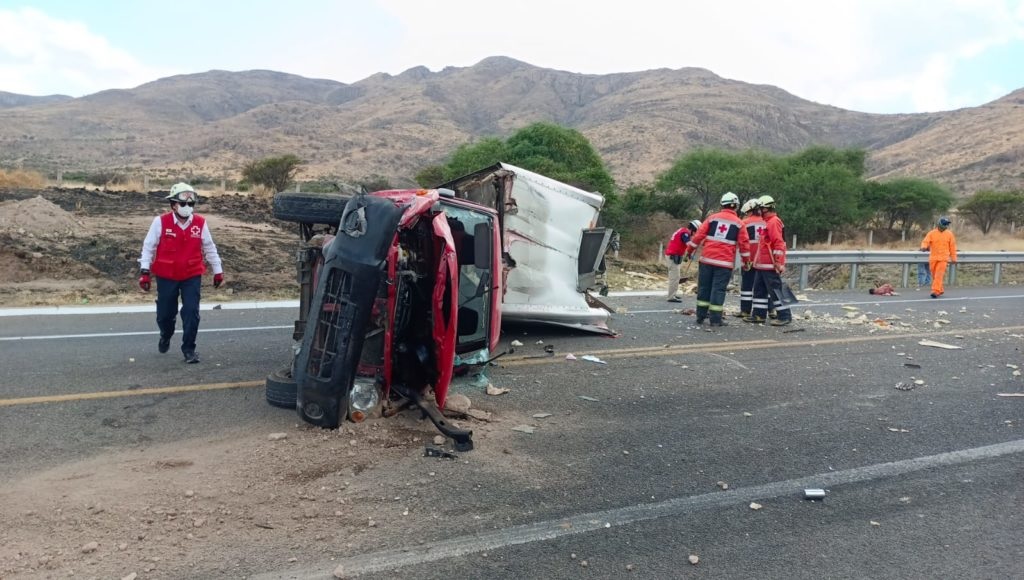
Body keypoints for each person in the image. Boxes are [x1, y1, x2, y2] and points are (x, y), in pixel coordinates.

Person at [138, 183, 224, 363]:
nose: (187, 208)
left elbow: (209, 247)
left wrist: (218, 270)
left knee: (192, 312)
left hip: (191, 275)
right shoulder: (160, 222)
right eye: (183, 204)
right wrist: (145, 271)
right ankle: (165, 334)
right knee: (165, 314)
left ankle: (189, 349)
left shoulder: (200, 223)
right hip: (166, 275)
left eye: (191, 205)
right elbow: (148, 247)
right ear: (173, 204)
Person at [684, 192, 751, 327]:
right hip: (724, 264)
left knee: (704, 288)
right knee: (718, 290)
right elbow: (744, 244)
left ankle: (700, 316)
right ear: (736, 206)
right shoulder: (739, 223)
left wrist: (688, 251)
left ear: (722, 205)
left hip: (706, 260)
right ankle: (715, 319)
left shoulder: (712, 218)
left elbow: (698, 236)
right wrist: (746, 262)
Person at [746, 195, 793, 326]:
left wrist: (778, 262)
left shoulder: (773, 222)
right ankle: (758, 315)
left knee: (776, 290)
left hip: (770, 264)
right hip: (762, 265)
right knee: (759, 290)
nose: (759, 211)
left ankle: (785, 316)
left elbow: (778, 243)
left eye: (760, 208)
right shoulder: (768, 222)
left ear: (766, 208)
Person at [735, 198, 764, 318]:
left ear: (750, 211)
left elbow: (740, 241)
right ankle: (770, 311)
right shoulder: (767, 222)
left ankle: (745, 311)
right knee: (764, 286)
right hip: (763, 260)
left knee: (747, 286)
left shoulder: (745, 223)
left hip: (750, 259)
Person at [920, 216, 958, 298]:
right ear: (940, 224)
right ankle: (940, 289)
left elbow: (952, 247)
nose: (946, 226)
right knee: (934, 275)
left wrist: (954, 258)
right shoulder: (931, 233)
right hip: (933, 258)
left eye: (947, 224)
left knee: (939, 275)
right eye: (944, 224)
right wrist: (924, 247)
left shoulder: (949, 234)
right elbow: (925, 241)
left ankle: (935, 291)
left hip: (943, 259)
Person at [665, 219, 701, 302]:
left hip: (673, 256)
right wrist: (695, 244)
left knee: (676, 277)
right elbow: (688, 244)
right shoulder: (685, 233)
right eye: (696, 231)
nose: (695, 233)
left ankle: (673, 294)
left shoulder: (682, 230)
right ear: (693, 229)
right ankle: (671, 297)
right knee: (674, 277)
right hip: (673, 257)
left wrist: (688, 254)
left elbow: (682, 244)